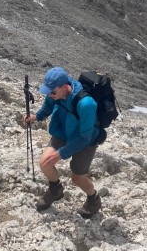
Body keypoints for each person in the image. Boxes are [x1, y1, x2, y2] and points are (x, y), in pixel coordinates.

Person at [24, 66, 102, 218]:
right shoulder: (55, 93)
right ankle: (56, 189)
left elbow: (85, 136)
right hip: (64, 131)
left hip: (85, 140)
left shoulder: (86, 104)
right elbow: (47, 107)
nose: (49, 94)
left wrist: (61, 153)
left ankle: (93, 198)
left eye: (52, 92)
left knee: (77, 179)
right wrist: (36, 117)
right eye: (47, 91)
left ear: (64, 87)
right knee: (45, 162)